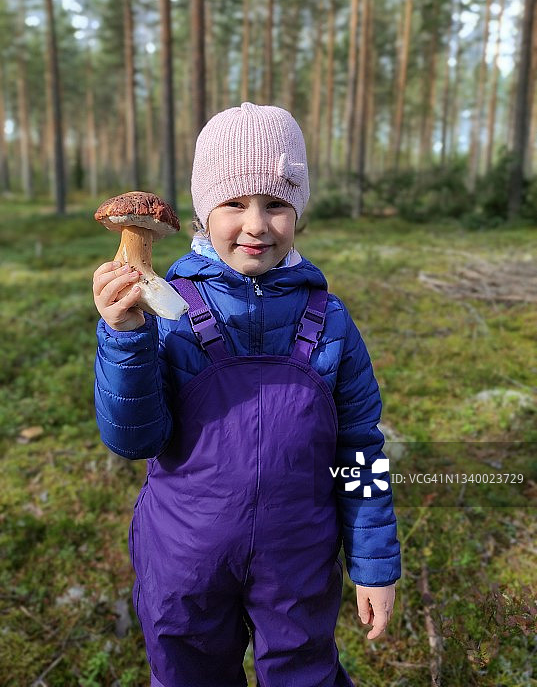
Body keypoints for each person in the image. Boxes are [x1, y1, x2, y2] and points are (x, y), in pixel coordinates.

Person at [92, 102, 401, 687]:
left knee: (304, 674)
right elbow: (134, 439)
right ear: (203, 212)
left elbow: (361, 449)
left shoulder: (330, 321)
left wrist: (374, 563)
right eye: (234, 203)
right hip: (184, 558)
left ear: (298, 211)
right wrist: (126, 339)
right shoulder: (164, 312)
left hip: (299, 559)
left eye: (276, 204)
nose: (256, 224)